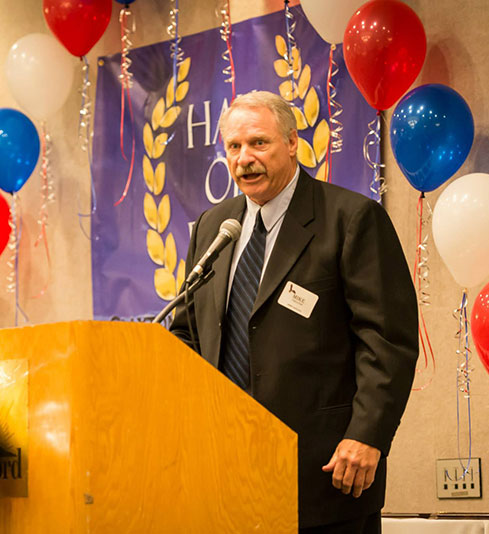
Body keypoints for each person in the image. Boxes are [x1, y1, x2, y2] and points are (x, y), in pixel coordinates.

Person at [169, 91, 418, 533]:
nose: (245, 158)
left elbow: (386, 340)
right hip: (224, 472)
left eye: (259, 143)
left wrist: (367, 434)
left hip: (323, 472)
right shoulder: (215, 226)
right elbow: (191, 334)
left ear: (292, 144)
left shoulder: (349, 218)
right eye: (234, 147)